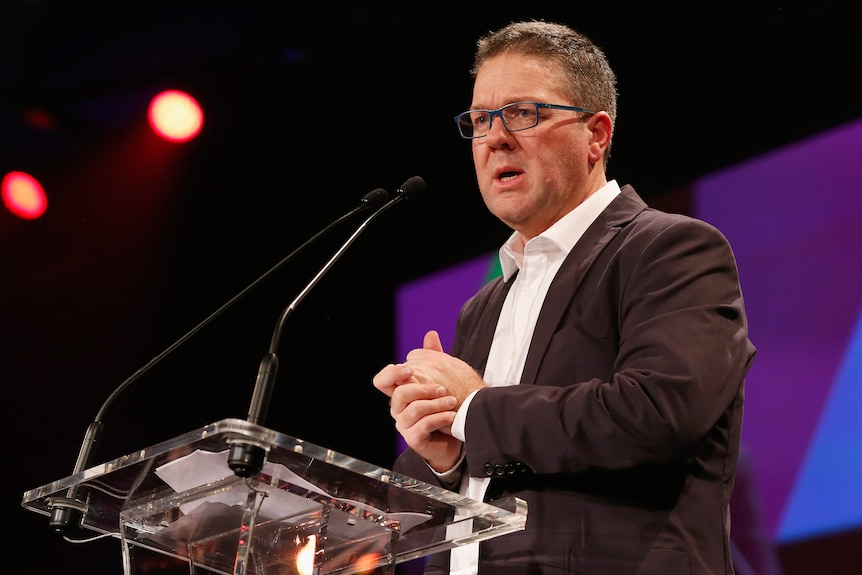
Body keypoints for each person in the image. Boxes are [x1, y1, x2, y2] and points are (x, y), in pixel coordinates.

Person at [373, 19, 756, 575]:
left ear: (596, 135)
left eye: (523, 114)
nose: (496, 137)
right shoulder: (482, 309)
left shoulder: (670, 249)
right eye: (480, 120)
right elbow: (446, 503)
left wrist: (475, 411)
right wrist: (441, 455)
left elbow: (657, 413)